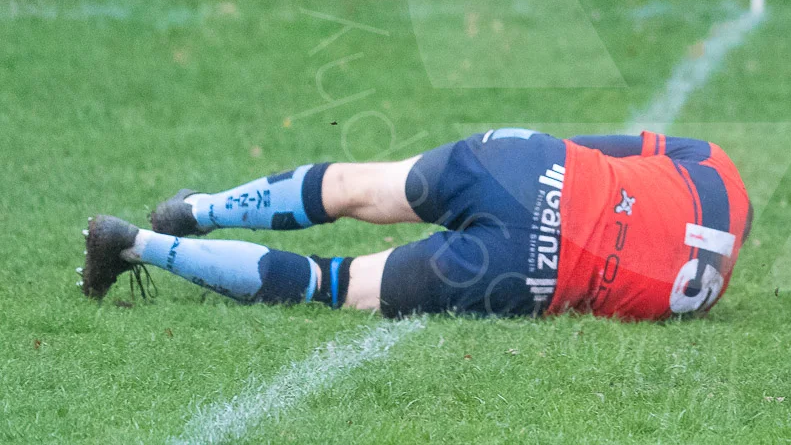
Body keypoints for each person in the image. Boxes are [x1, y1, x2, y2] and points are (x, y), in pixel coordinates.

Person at [80, 128, 750, 321]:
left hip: (535, 166)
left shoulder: (720, 169)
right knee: (332, 283)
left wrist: (522, 153)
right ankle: (137, 245)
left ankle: (198, 209)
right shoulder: (698, 298)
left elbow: (597, 144)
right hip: (531, 267)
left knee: (353, 186)